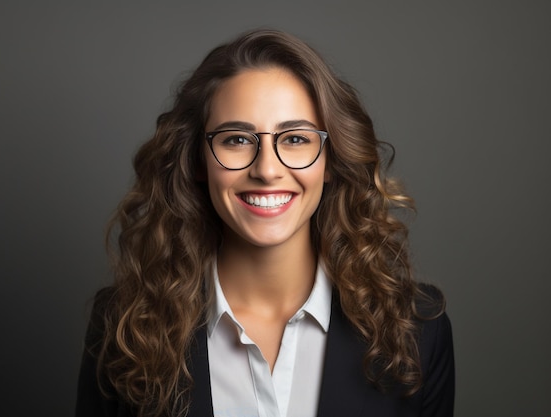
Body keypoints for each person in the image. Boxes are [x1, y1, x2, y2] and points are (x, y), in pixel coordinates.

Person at [75, 29, 455, 417]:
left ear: (330, 161)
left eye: (295, 139)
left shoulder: (419, 331)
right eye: (236, 140)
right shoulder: (123, 327)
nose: (267, 170)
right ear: (198, 162)